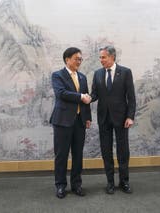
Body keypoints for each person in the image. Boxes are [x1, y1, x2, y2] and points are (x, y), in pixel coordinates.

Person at [90, 46, 136, 194]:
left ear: (112, 57)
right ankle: (110, 182)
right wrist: (85, 98)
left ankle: (124, 182)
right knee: (106, 151)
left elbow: (131, 97)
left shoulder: (126, 72)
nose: (101, 60)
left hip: (122, 118)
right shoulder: (97, 74)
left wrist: (130, 116)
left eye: (103, 57)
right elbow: (94, 95)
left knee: (123, 151)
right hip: (103, 118)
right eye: (100, 57)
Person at [50, 47, 92, 199]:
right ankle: (60, 186)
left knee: (78, 155)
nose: (79, 61)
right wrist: (81, 96)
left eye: (80, 59)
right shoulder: (57, 75)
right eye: (76, 58)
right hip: (62, 122)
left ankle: (76, 185)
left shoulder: (82, 77)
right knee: (61, 155)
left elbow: (86, 100)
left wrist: (88, 118)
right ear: (67, 59)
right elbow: (61, 94)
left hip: (79, 123)